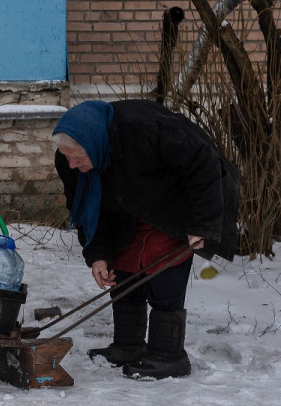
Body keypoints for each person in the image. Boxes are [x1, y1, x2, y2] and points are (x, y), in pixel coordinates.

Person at [53, 99, 239, 380]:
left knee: (162, 270)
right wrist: (98, 254)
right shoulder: (70, 162)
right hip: (128, 210)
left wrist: (202, 223)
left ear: (94, 142)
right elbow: (87, 211)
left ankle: (169, 356)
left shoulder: (144, 129)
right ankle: (128, 347)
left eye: (78, 157)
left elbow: (203, 160)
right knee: (122, 266)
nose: (72, 164)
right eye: (67, 157)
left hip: (177, 204)